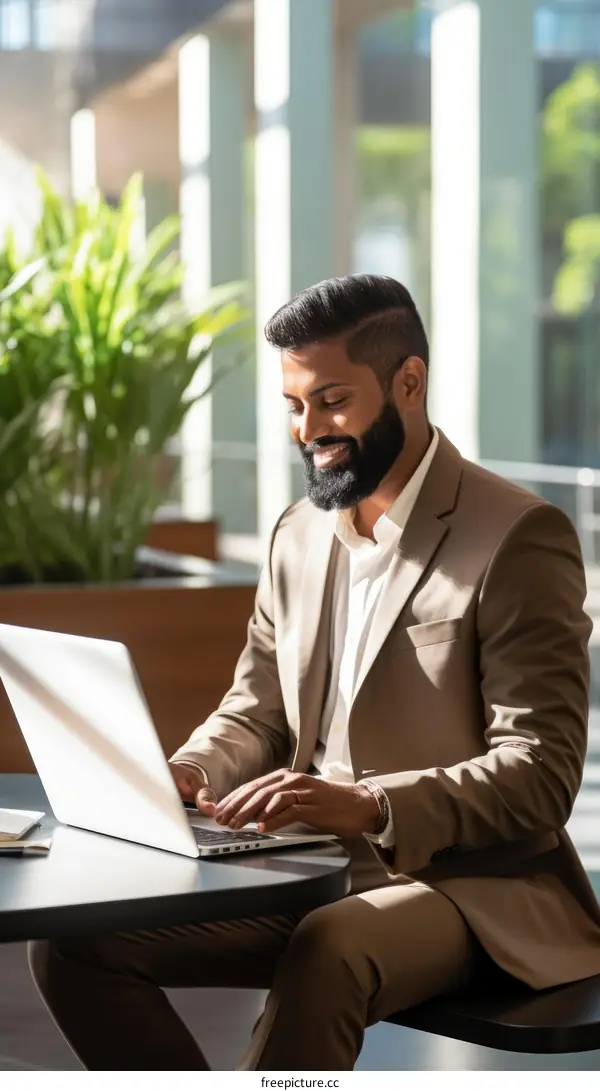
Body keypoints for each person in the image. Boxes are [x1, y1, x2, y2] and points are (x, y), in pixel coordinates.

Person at [30, 274, 600, 1071]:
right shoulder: (298, 533)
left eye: (331, 401)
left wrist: (367, 804)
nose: (308, 430)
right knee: (77, 948)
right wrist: (190, 768)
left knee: (329, 943)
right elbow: (256, 708)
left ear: (409, 382)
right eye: (295, 405)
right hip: (307, 863)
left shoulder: (518, 536)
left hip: (473, 887)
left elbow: (541, 772)